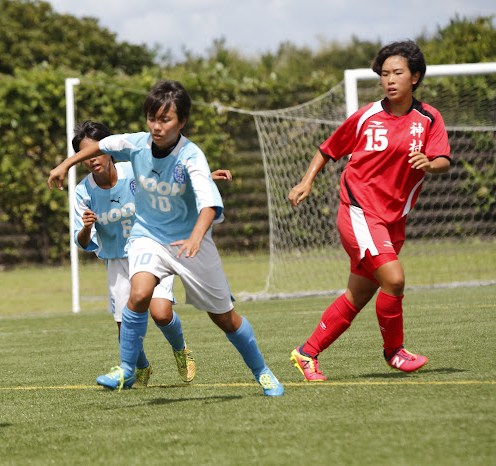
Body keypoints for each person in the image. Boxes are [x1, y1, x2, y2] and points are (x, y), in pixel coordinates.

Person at [49, 80, 283, 396]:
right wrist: (65, 164)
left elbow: (209, 206)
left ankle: (262, 372)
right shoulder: (136, 144)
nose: (156, 127)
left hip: (188, 241)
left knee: (224, 318)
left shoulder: (192, 156)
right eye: (151, 118)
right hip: (148, 237)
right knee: (140, 293)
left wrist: (196, 238)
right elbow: (101, 146)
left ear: (182, 121)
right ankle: (127, 368)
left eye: (165, 120)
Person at [287, 41, 450, 381]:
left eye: (398, 73)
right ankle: (395, 352)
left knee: (358, 296)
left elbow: (443, 160)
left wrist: (430, 165)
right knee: (394, 279)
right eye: (384, 74)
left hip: (393, 220)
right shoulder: (366, 116)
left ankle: (306, 353)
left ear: (415, 77)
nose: (390, 80)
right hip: (359, 211)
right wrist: (306, 181)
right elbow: (328, 149)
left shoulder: (429, 118)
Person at [72, 120, 232, 387]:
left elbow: (169, 180)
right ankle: (140, 367)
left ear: (109, 149)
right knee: (125, 329)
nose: (93, 160)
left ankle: (180, 350)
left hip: (151, 247)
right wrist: (87, 227)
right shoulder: (83, 192)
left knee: (161, 314)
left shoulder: (132, 170)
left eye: (97, 152)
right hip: (117, 260)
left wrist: (205, 177)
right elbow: (82, 241)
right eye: (86, 156)